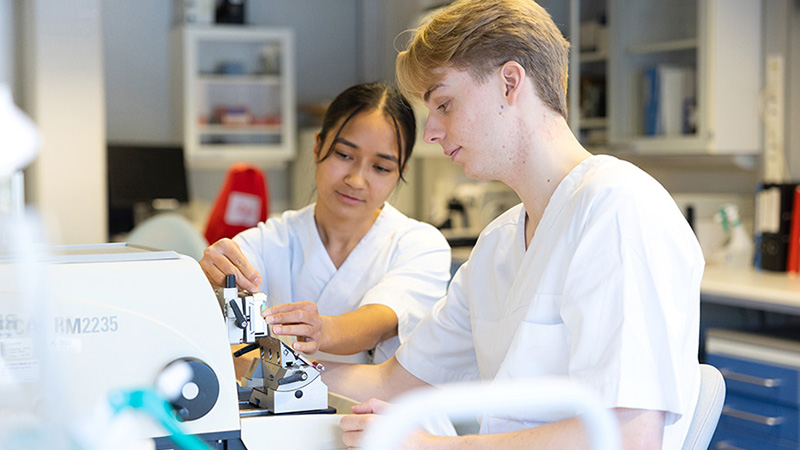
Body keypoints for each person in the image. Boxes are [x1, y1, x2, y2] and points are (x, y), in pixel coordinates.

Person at [327, 1, 704, 448]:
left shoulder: (618, 210)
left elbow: (629, 436)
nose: (431, 132)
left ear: (509, 82)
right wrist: (256, 365)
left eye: (444, 104)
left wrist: (430, 446)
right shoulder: (498, 244)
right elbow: (394, 382)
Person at [199, 82, 452, 365]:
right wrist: (205, 277)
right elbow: (213, 290)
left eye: (381, 167)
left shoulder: (419, 245)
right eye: (344, 155)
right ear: (318, 147)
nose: (356, 180)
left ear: (399, 173)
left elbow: (379, 321)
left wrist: (322, 330)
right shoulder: (271, 240)